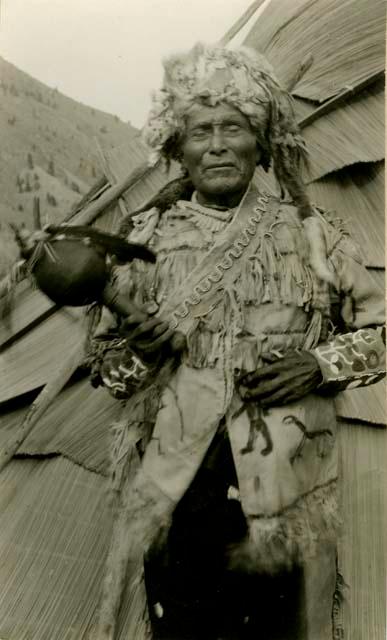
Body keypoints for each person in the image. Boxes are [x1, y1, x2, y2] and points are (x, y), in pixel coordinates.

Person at [89, 43, 385, 640]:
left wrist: (320, 364)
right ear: (179, 148)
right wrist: (139, 354)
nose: (218, 145)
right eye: (201, 132)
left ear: (262, 141)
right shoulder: (143, 244)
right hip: (177, 491)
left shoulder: (314, 239)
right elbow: (110, 374)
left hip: (287, 484)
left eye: (235, 128)